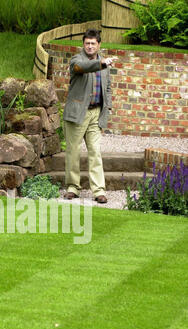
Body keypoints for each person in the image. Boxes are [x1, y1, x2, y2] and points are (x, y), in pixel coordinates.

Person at [63, 29, 118, 203]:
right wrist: (102, 63)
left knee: (95, 151)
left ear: (99, 44)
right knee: (73, 151)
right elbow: (83, 68)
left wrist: (107, 107)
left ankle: (99, 190)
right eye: (87, 43)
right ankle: (73, 187)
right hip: (77, 114)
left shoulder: (104, 64)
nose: (90, 46)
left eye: (93, 43)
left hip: (96, 113)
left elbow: (107, 87)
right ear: (83, 44)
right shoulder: (76, 61)